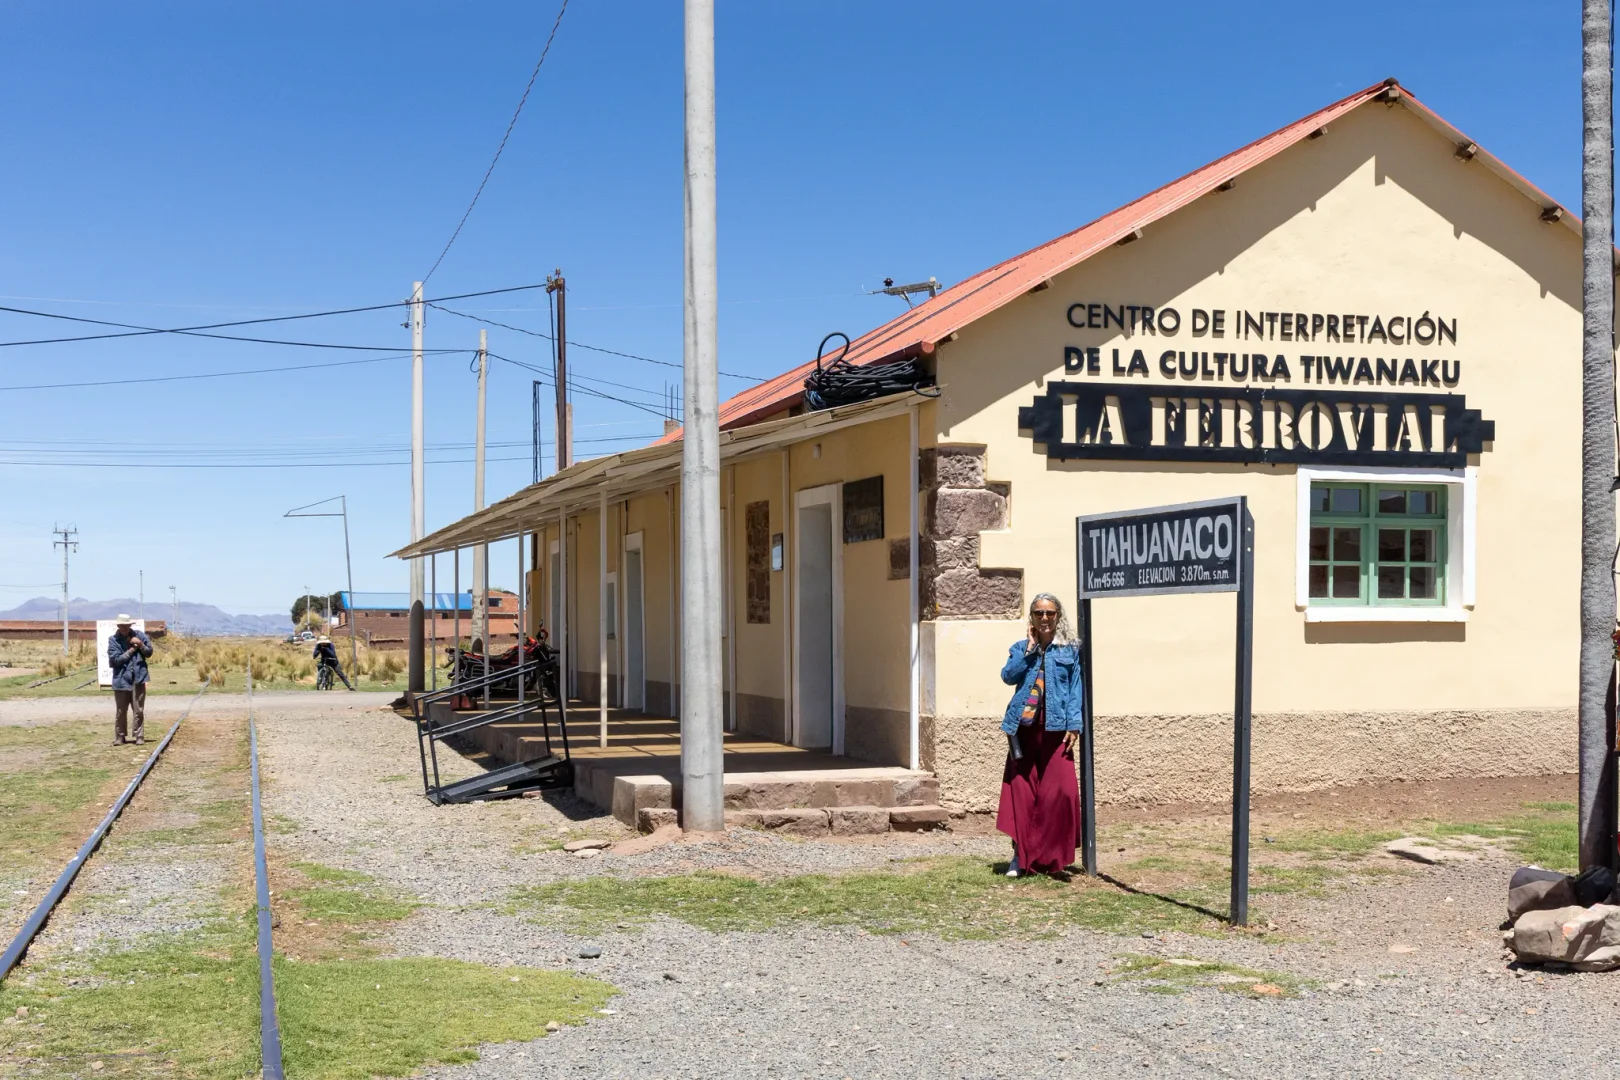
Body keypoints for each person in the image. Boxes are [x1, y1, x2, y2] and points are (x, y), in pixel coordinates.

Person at [996, 593, 1084, 878]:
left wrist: (1075, 725)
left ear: (1059, 616)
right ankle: (1019, 857)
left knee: (1062, 792)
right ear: (1031, 618)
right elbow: (1008, 676)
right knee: (1022, 794)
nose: (1045, 618)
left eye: (1050, 613)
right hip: (1023, 730)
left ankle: (1052, 859)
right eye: (1038, 613)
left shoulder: (1070, 651)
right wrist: (1030, 650)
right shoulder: (1020, 647)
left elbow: (1075, 689)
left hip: (1056, 731)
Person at [108, 614, 153, 745]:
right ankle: (120, 736)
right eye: (122, 626)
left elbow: (149, 652)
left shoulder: (140, 636)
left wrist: (141, 645)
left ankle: (139, 735)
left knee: (138, 710)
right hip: (121, 679)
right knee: (121, 711)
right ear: (118, 626)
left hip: (138, 679)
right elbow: (116, 660)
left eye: (126, 625)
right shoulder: (113, 640)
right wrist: (133, 649)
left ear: (130, 625)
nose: (124, 628)